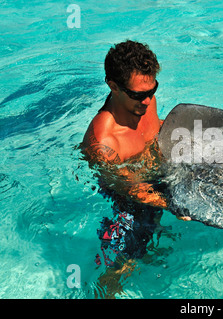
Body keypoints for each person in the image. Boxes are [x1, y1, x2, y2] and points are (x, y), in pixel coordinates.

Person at [81, 40, 187, 297]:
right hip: (130, 200)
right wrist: (179, 204)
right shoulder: (104, 142)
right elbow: (132, 190)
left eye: (153, 90)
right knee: (125, 257)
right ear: (113, 86)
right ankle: (105, 290)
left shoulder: (145, 100)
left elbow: (157, 131)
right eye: (139, 95)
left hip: (156, 174)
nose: (148, 100)